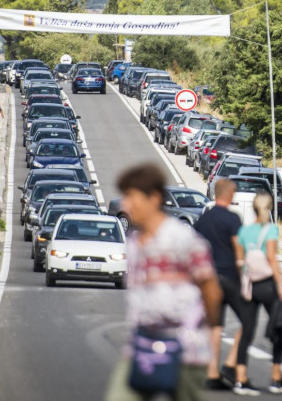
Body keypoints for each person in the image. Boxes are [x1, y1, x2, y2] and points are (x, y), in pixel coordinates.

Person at [105, 163, 221, 401]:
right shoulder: (135, 244)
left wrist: (201, 334)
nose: (126, 205)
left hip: (186, 353)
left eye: (131, 197)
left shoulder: (183, 240)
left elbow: (211, 290)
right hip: (142, 348)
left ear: (154, 198)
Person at [235, 192, 282, 395]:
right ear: (270, 209)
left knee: (247, 329)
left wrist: (244, 280)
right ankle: (276, 377)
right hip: (268, 284)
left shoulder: (244, 231)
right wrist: (281, 288)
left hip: (250, 284)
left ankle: (241, 378)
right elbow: (271, 258)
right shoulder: (271, 230)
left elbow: (240, 260)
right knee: (279, 326)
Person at [194, 179, 244, 390]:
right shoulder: (233, 219)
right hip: (229, 277)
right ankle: (231, 364)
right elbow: (238, 248)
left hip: (208, 280)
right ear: (230, 195)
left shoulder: (203, 219)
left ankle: (212, 374)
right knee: (248, 320)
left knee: (214, 326)